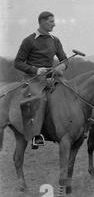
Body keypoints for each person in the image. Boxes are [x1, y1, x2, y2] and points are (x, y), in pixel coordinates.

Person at [14, 11, 68, 149]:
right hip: (33, 79)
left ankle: (74, 127)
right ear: (42, 22)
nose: (54, 24)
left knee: (70, 92)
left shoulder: (55, 40)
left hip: (52, 77)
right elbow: (18, 63)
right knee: (40, 99)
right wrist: (36, 70)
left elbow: (65, 60)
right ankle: (36, 135)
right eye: (51, 21)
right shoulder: (29, 40)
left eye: (53, 21)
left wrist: (61, 66)